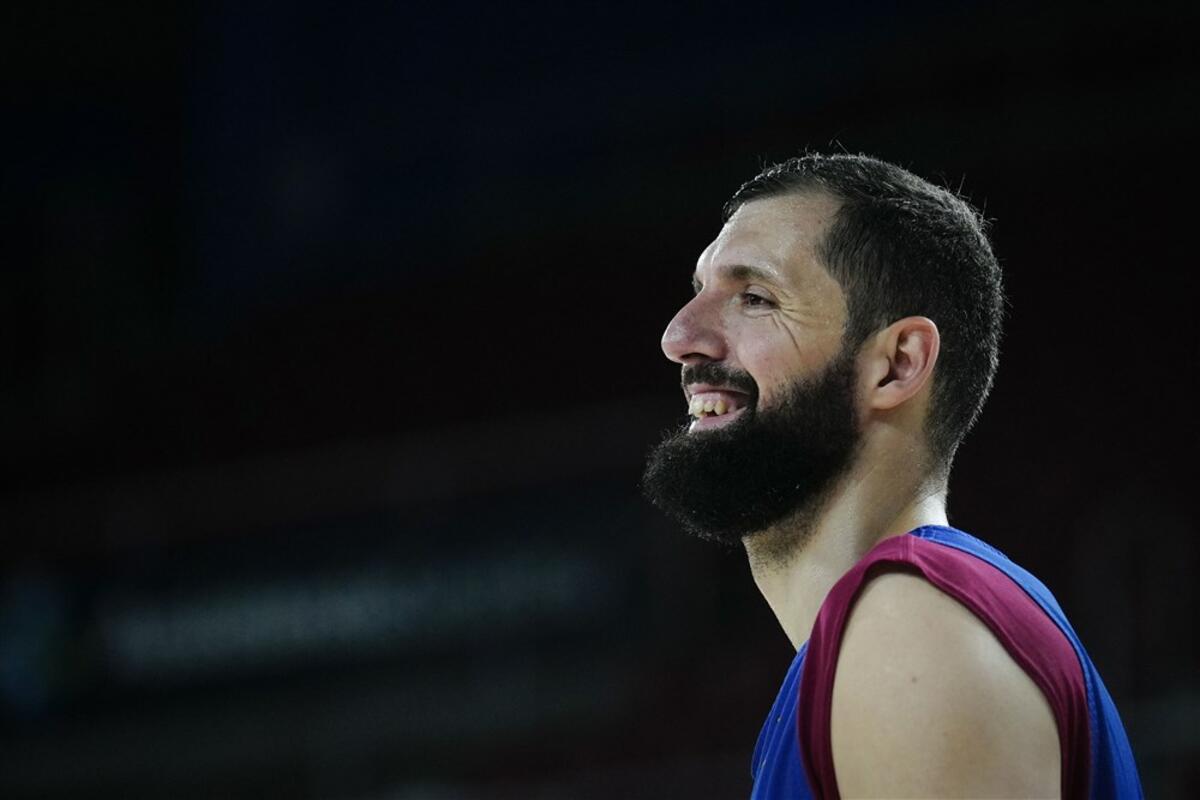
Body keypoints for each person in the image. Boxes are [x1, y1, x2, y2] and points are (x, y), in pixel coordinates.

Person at [641, 153, 1142, 799]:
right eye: (698, 291)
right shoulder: (884, 638)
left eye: (756, 299)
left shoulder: (912, 630)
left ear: (897, 365)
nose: (679, 336)